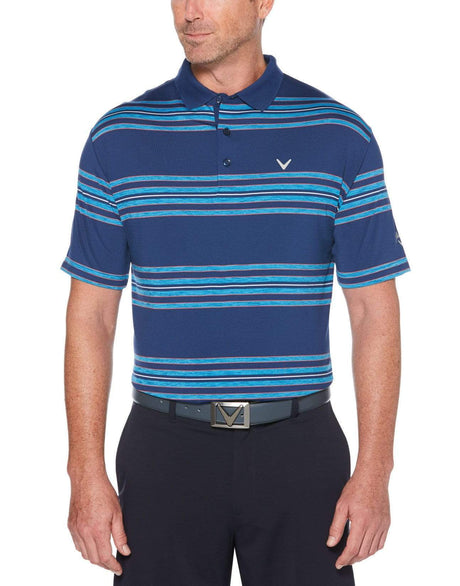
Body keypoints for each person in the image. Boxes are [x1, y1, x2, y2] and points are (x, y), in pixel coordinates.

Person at [61, 1, 410, 584]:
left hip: (300, 449)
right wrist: (84, 473)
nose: (190, 11)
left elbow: (374, 312)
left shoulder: (339, 135)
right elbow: (90, 316)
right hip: (163, 450)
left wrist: (376, 471)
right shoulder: (117, 138)